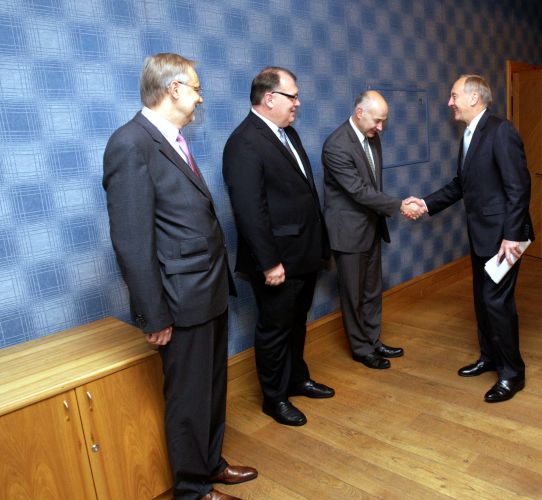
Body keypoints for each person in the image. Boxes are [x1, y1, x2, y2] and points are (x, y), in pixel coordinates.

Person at [103, 53, 256, 500]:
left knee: (212, 388)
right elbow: (132, 241)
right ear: (173, 89)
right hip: (178, 299)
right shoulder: (130, 143)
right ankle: (192, 490)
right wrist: (153, 316)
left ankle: (210, 464)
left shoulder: (172, 140)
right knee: (188, 399)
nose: (200, 97)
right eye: (195, 88)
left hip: (208, 290)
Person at [407, 74, 534, 403]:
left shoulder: (500, 131)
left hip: (505, 238)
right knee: (482, 299)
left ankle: (512, 374)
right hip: (482, 236)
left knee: (497, 302)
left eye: (454, 95)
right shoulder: (469, 134)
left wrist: (512, 236)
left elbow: (519, 188)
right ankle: (489, 357)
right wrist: (426, 204)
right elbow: (460, 185)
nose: (449, 102)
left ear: (474, 98)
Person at [223, 67, 334, 427]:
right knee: (274, 330)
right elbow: (249, 211)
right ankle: (274, 398)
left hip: (304, 254)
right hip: (277, 262)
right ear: (270, 98)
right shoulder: (244, 142)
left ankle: (297, 378)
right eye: (293, 96)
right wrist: (269, 262)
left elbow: (303, 195)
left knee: (297, 322)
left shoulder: (288, 133)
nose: (298, 103)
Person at [321, 90, 420, 370]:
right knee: (353, 294)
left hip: (371, 226)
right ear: (359, 112)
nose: (381, 127)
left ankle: (373, 340)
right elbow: (358, 191)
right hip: (348, 233)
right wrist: (400, 205)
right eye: (377, 120)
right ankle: (361, 349)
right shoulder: (336, 145)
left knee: (372, 290)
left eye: (383, 121)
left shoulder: (372, 138)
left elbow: (373, 186)